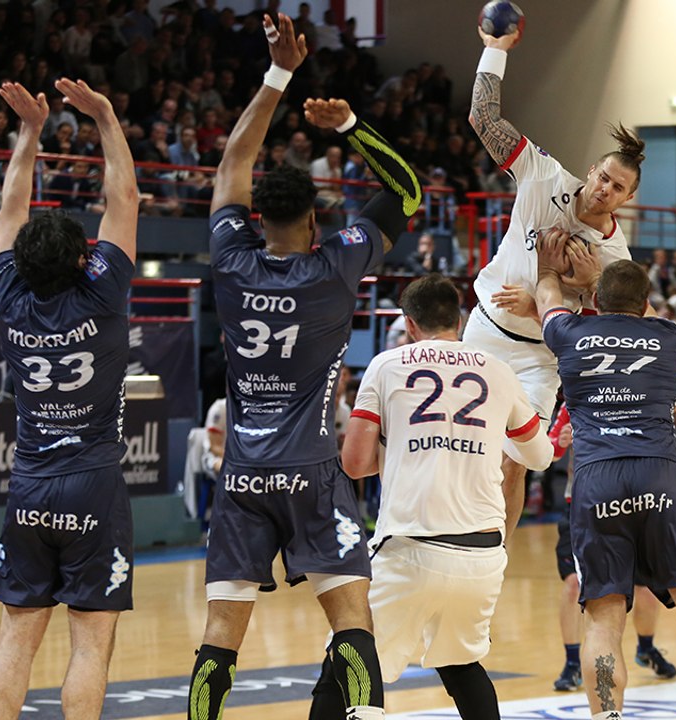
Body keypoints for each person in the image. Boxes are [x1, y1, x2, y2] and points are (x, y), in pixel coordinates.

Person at [187, 14, 422, 720]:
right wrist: (348, 125)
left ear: (256, 219)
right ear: (315, 225)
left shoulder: (232, 259)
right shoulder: (336, 267)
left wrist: (277, 75)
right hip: (312, 474)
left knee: (219, 636)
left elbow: (232, 163)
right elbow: (406, 189)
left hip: (243, 476)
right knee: (352, 625)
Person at [532, 234, 676, 720]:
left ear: (596, 298)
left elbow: (546, 298)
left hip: (596, 479)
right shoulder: (667, 335)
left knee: (603, 621)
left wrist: (549, 268)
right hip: (659, 474)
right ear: (646, 300)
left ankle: (608, 716)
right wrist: (600, 281)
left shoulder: (570, 333)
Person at [0, 77, 139, 720]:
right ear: (82, 260)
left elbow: (9, 209)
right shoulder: (103, 291)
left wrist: (29, 132)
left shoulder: (8, 293)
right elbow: (124, 196)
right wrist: (104, 117)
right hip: (93, 483)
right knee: (91, 643)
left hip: (29, 482)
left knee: (16, 638)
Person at [341, 274, 552, 720]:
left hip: (410, 548)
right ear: (460, 320)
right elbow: (538, 456)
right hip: (481, 555)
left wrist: (405, 449)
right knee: (462, 666)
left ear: (409, 324)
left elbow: (355, 464)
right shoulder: (498, 370)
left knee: (349, 660)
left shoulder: (386, 365)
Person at [466, 24, 648, 539]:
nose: (605, 190)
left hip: (541, 358)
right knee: (464, 449)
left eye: (618, 188)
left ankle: (495, 559)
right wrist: (494, 50)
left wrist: (556, 302)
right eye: (604, 177)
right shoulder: (543, 173)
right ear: (590, 171)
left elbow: (612, 330)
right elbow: (483, 118)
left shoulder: (614, 257)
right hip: (485, 331)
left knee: (514, 465)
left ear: (627, 199)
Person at [548, 405, 676, 693]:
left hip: (630, 504)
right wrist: (559, 442)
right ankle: (571, 662)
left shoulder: (637, 398)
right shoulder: (574, 401)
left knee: (645, 588)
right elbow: (548, 452)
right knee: (574, 584)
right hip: (582, 506)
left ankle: (646, 647)